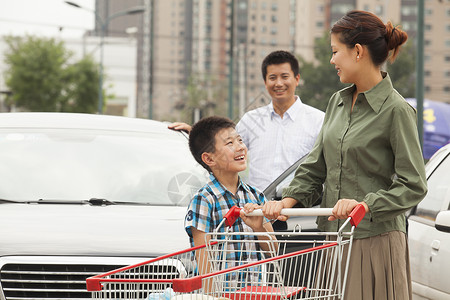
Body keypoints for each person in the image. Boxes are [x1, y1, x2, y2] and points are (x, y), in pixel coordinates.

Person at [262, 10, 427, 300]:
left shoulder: (397, 110)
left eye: (335, 51)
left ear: (358, 52)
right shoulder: (336, 102)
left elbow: (413, 184)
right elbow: (315, 166)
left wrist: (365, 204)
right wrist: (285, 203)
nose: (332, 60)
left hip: (374, 242)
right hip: (333, 240)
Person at [170, 50, 325, 191]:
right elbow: (224, 148)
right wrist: (195, 133)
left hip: (301, 212)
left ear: (297, 79)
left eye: (284, 77)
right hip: (256, 210)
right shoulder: (252, 120)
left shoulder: (318, 121)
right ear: (265, 82)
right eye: (272, 78)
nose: (278, 83)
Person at [184, 116, 274, 286]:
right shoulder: (204, 200)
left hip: (253, 294)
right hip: (220, 295)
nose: (240, 147)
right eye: (229, 143)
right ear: (209, 159)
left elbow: (273, 251)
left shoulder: (255, 196)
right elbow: (205, 265)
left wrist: (258, 227)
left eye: (239, 140)